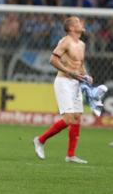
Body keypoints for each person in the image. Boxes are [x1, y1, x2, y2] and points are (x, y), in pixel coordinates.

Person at [33, 16, 90, 164]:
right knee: (69, 118)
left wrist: (86, 76)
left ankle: (70, 155)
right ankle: (40, 140)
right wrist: (69, 72)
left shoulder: (82, 44)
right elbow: (53, 60)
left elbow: (79, 64)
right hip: (64, 81)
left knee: (77, 117)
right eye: (77, 22)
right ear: (71, 28)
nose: (81, 23)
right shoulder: (65, 42)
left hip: (76, 83)